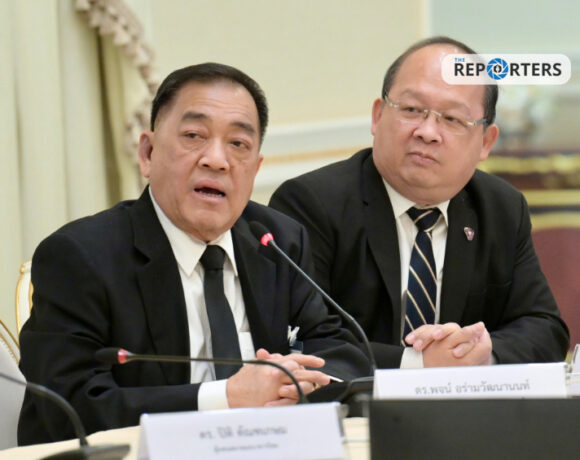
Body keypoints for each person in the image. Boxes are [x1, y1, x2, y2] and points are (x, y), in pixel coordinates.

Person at [18, 63, 370, 444]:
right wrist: (226, 398)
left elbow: (339, 349)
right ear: (148, 153)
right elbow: (70, 409)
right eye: (194, 136)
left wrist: (300, 384)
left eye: (238, 144)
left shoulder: (277, 241)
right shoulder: (80, 257)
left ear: (255, 170)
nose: (216, 160)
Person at [270, 36, 569, 369]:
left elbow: (545, 329)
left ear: (486, 142)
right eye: (412, 110)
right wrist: (417, 363)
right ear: (377, 116)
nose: (427, 132)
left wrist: (484, 354)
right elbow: (301, 339)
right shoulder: (311, 204)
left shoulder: (501, 208)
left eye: (452, 119)